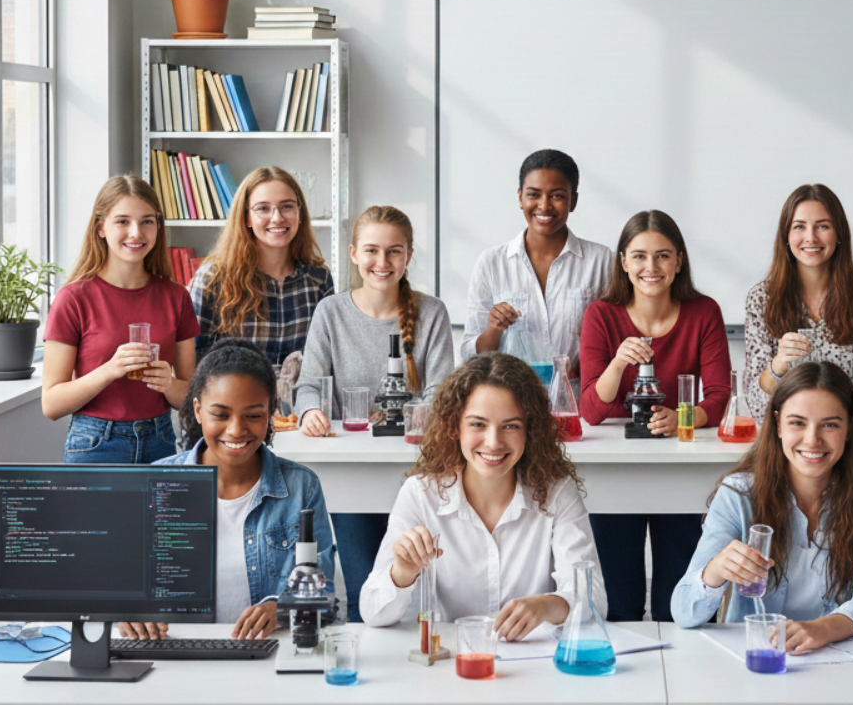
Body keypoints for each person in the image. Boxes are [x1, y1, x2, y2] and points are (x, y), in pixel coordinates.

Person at [360, 353, 606, 639]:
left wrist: (548, 605)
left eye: (511, 426)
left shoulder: (557, 492)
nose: (493, 442)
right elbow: (372, 613)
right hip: (448, 666)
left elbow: (595, 600)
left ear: (531, 429)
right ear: (455, 426)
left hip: (534, 670)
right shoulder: (420, 493)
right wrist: (402, 572)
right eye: (478, 424)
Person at [292, 205, 455, 623]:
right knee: (368, 595)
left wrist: (408, 417)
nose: (382, 263)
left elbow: (442, 393)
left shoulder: (432, 312)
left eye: (394, 252)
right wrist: (311, 410)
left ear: (409, 255)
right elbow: (308, 385)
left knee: (418, 590)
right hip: (354, 470)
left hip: (417, 471)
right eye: (371, 251)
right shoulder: (331, 311)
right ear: (352, 253)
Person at [671, 362, 853, 654]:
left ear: (851, 427)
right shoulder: (737, 494)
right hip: (754, 657)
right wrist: (715, 571)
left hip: (838, 658)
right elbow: (683, 611)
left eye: (830, 424)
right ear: (778, 425)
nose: (812, 439)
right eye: (797, 423)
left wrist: (823, 629)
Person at [125, 338, 335, 641]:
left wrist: (283, 607)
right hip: (175, 654)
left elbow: (325, 592)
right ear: (197, 411)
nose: (236, 430)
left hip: (266, 655)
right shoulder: (155, 483)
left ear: (271, 412)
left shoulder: (302, 487)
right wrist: (126, 610)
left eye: (252, 415)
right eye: (220, 415)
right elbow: (123, 582)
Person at [579, 209, 731, 622]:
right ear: (624, 262)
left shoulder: (703, 312)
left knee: (675, 602)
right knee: (620, 601)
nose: (652, 267)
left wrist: (685, 417)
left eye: (663, 256)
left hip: (678, 465)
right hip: (616, 467)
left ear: (679, 261)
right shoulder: (601, 314)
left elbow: (719, 397)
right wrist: (616, 363)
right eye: (640, 256)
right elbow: (591, 410)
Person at [42, 175, 198, 463]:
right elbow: (51, 404)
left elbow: (189, 397)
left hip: (161, 438)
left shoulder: (176, 297)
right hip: (95, 442)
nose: (136, 232)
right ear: (101, 228)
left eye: (147, 221)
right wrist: (110, 370)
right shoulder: (73, 298)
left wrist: (169, 384)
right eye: (123, 221)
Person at [460, 149, 611, 384]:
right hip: (511, 399)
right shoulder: (492, 263)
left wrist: (583, 367)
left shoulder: (600, 261)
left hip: (578, 401)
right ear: (520, 198)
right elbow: (472, 355)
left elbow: (614, 340)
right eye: (534, 194)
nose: (544, 205)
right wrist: (494, 329)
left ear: (573, 201)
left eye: (557, 196)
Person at [745, 183, 853, 420]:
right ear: (786, 235)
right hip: (788, 442)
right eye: (799, 227)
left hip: (848, 439)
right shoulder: (761, 299)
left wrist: (835, 430)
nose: (811, 238)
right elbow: (756, 404)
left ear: (839, 234)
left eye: (823, 226)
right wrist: (779, 365)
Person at [188, 166, 334, 365]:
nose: (277, 218)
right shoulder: (212, 278)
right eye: (263, 208)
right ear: (246, 217)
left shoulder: (319, 279)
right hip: (233, 396)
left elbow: (328, 358)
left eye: (287, 206)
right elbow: (190, 362)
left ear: (299, 213)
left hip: (300, 396)